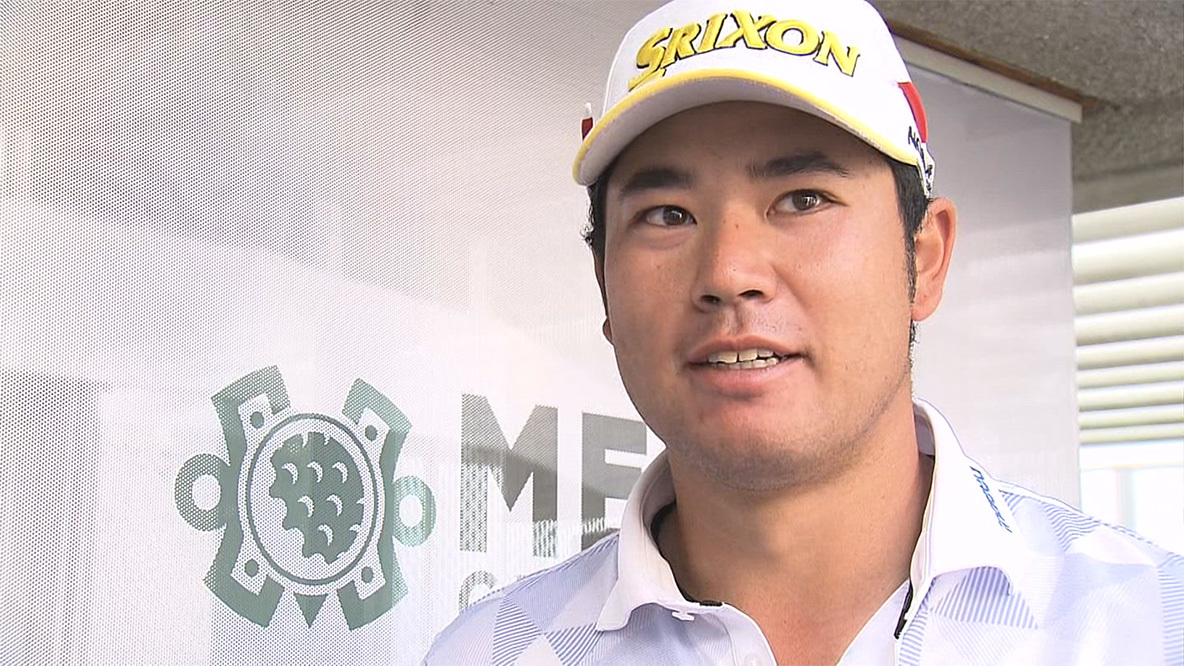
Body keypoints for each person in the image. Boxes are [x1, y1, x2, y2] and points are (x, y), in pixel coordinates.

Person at [424, 0, 1184, 663]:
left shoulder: (1149, 625)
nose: (729, 271)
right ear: (604, 288)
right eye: (667, 215)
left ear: (924, 258)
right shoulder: (493, 652)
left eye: (803, 199)